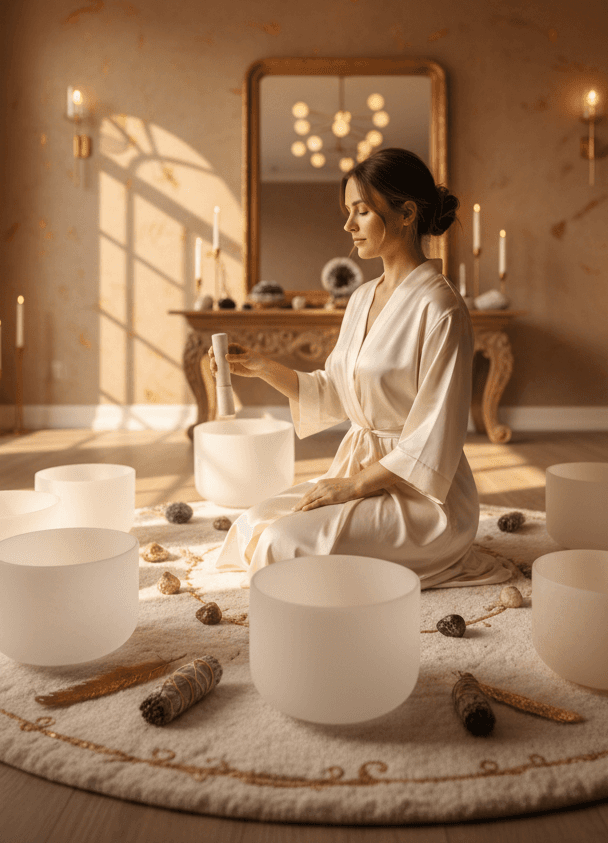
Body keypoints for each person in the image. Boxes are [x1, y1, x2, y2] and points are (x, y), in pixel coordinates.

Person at [213, 148, 509, 589]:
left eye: (362, 211)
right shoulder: (361, 297)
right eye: (348, 212)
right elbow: (335, 391)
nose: (348, 225)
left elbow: (436, 434)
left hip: (423, 495)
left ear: (406, 213)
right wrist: (260, 367)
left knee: (280, 544)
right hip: (358, 470)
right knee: (252, 526)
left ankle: (432, 555)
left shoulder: (441, 308)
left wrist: (352, 488)